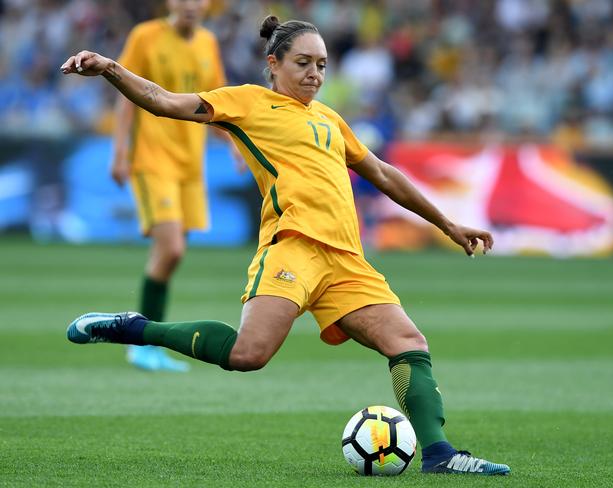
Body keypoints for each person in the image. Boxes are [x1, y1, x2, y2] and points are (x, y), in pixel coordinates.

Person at [61, 16, 510, 475]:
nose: (314, 73)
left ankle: (439, 454)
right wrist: (111, 69)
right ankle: (136, 328)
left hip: (345, 260)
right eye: (303, 63)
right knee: (247, 355)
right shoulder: (249, 103)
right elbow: (163, 101)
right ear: (273, 64)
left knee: (408, 341)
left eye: (322, 65)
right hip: (293, 246)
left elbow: (383, 174)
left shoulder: (330, 119)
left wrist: (448, 224)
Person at [110, 0, 234, 371]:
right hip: (152, 160)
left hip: (190, 165)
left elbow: (219, 101)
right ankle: (141, 343)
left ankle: (145, 342)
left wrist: (236, 145)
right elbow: (126, 94)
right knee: (172, 249)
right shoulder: (145, 37)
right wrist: (119, 151)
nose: (191, 5)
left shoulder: (207, 43)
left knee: (170, 255)